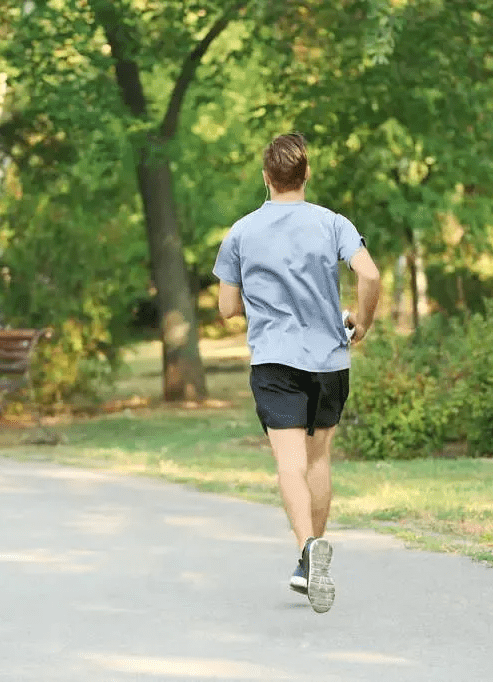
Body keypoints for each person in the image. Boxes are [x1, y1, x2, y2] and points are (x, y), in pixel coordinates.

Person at [212, 133, 381, 614]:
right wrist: (363, 322)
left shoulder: (241, 231)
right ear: (306, 174)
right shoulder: (332, 223)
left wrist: (265, 299)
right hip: (329, 359)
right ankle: (311, 563)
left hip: (274, 361)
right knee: (319, 458)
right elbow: (369, 274)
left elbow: (226, 308)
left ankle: (309, 550)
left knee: (289, 463)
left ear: (266, 177)